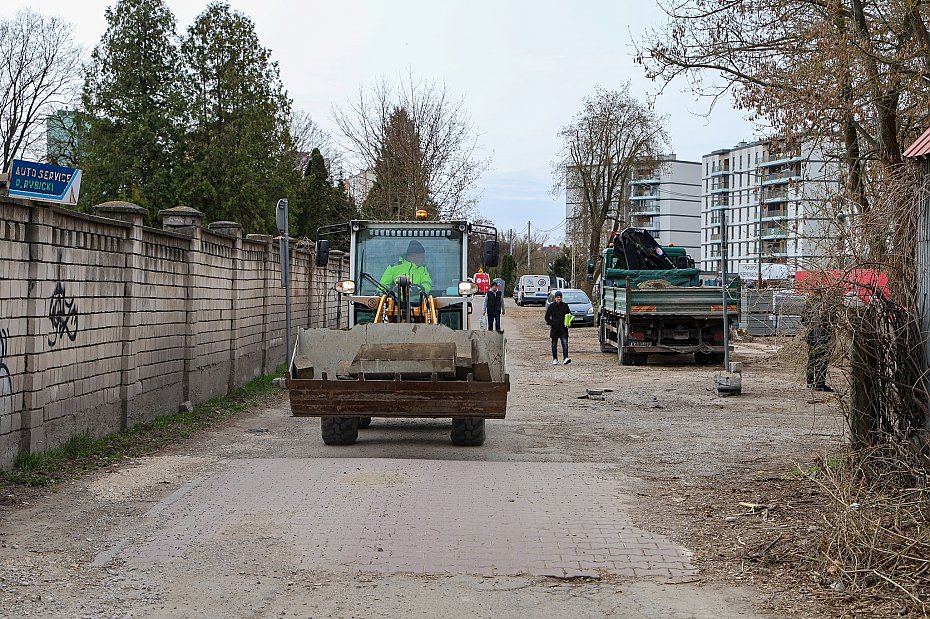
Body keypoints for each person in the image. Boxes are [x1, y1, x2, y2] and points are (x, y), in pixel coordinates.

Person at [803, 291, 835, 392]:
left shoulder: (810, 303)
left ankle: (810, 382)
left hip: (812, 334)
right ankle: (819, 383)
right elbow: (832, 321)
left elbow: (803, 320)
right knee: (822, 359)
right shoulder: (828, 304)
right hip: (822, 335)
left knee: (813, 357)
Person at [545, 290, 572, 365]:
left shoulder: (565, 306)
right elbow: (547, 316)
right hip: (555, 329)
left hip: (563, 328)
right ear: (555, 298)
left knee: (565, 343)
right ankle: (555, 358)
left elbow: (569, 315)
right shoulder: (551, 306)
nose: (559, 299)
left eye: (560, 297)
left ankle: (565, 358)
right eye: (557, 297)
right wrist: (551, 323)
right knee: (554, 344)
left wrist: (569, 322)